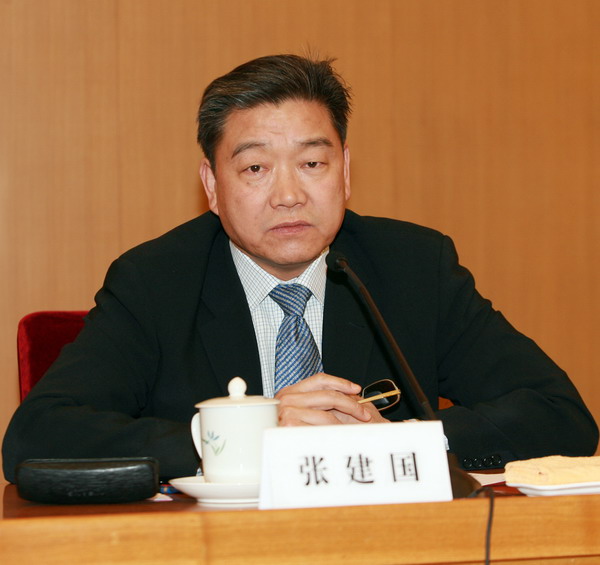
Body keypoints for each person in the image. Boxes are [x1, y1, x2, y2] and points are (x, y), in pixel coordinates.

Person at [3, 54, 597, 483]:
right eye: (255, 169)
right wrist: (252, 437)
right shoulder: (156, 281)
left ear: (345, 171)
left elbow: (561, 416)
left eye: (312, 163)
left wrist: (394, 444)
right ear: (211, 185)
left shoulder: (413, 267)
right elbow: (37, 436)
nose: (288, 195)